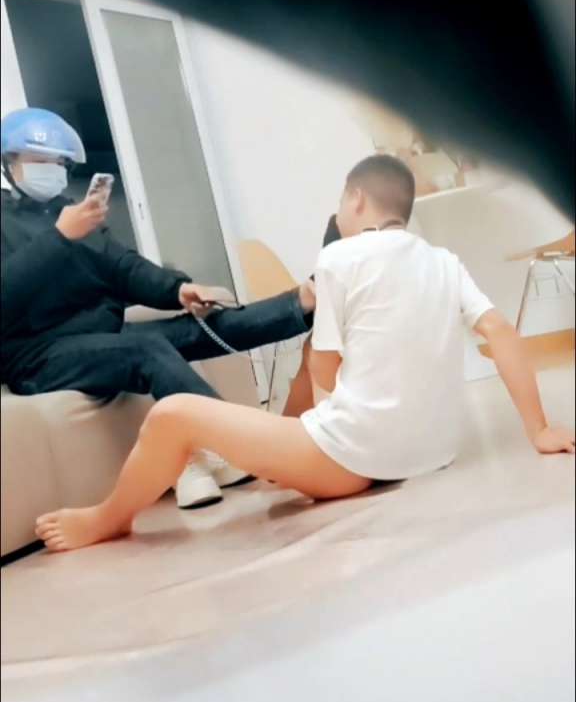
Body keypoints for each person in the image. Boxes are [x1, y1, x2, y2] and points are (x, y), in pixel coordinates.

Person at [35, 154, 574, 553]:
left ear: (356, 199)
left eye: (341, 202)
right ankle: (286, 450)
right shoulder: (444, 261)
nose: (339, 212)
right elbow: (502, 333)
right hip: (431, 450)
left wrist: (312, 432)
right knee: (288, 425)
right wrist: (539, 430)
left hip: (352, 460)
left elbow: (323, 368)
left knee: (172, 415)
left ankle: (108, 518)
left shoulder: (339, 258)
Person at [1, 108, 315, 509]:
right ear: (8, 162)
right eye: (41, 161)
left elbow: (123, 267)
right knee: (144, 349)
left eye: (60, 164)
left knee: (202, 326)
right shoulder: (45, 223)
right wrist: (61, 237)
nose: (54, 171)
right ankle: (246, 445)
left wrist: (178, 289)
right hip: (36, 355)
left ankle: (303, 301)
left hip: (100, 336)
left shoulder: (68, 212)